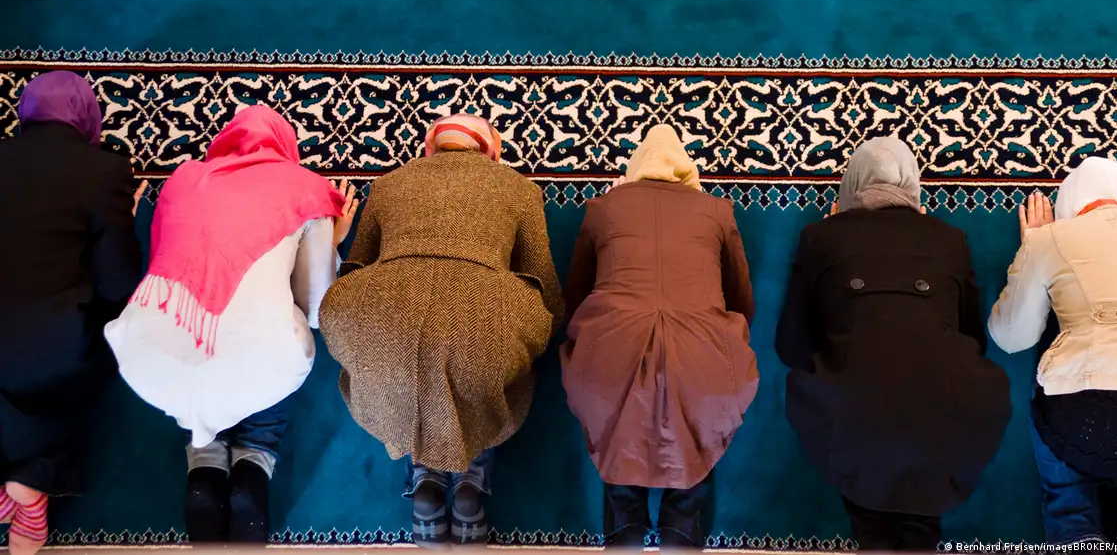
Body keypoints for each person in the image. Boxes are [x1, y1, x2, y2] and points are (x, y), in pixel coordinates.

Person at [104, 105, 356, 543]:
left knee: (194, 330)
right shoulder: (306, 190)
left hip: (148, 363)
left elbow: (162, 266)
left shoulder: (182, 180)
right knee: (280, 333)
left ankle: (205, 458)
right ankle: (254, 458)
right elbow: (317, 310)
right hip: (254, 370)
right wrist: (331, 242)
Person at [320, 113, 564, 547]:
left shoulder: (388, 184)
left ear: (430, 147)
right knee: (488, 359)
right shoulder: (520, 189)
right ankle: (471, 474)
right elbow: (542, 279)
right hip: (485, 309)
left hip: (386, 312)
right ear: (491, 150)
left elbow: (356, 264)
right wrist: (546, 328)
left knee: (404, 360)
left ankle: (425, 477)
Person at [775, 137, 1011, 551]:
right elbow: (974, 338)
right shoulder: (950, 239)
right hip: (943, 420)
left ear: (851, 184)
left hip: (853, 426)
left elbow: (790, 346)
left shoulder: (820, 237)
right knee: (919, 512)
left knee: (869, 503)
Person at [559, 124, 756, 550]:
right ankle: (680, 531)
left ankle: (625, 529)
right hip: (701, 360)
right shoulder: (717, 210)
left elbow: (573, 295)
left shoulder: (604, 208)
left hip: (610, 357)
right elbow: (742, 300)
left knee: (618, 426)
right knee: (697, 423)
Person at [989, 156, 1117, 549]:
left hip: (1085, 421)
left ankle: (1075, 521)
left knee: (1069, 505)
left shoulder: (1051, 239)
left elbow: (1011, 337)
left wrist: (1034, 246)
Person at [0, 71, 144, 555]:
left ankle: (22, 485)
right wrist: (123, 223)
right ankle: (30, 482)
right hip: (50, 348)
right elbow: (118, 283)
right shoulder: (104, 171)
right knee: (101, 336)